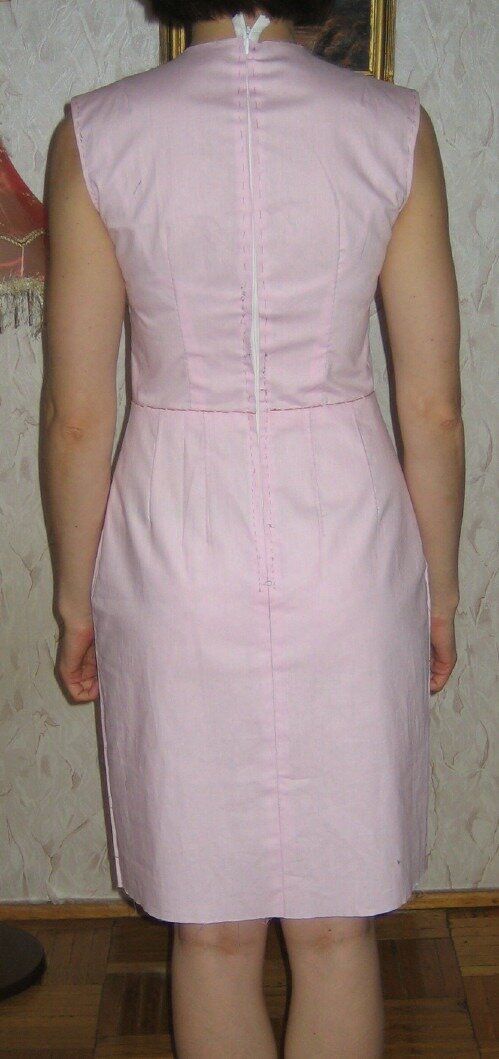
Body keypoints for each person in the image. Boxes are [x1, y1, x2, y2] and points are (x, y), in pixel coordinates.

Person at [42, 2, 464, 1055]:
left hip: (175, 542)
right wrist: (440, 589)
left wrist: (74, 598)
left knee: (213, 930)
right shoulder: (393, 127)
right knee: (334, 928)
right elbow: (432, 410)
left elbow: (78, 417)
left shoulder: (95, 132)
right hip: (347, 544)